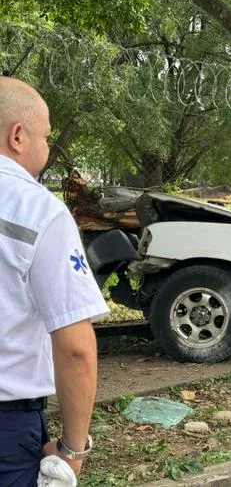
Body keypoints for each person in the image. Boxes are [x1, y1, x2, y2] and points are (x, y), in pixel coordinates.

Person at [0, 76, 109, 485]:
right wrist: (72, 450)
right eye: (46, 138)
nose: (48, 149)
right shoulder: (37, 211)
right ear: (17, 136)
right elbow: (76, 348)